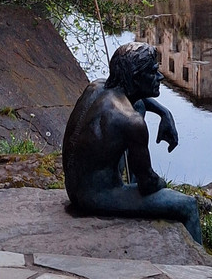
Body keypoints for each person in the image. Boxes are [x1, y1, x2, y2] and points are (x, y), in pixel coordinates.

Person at [62, 42, 202, 243]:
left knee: (139, 105)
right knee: (188, 206)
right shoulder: (131, 122)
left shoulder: (96, 86)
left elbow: (136, 99)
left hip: (75, 185)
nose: (160, 77)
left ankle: (131, 182)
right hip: (94, 197)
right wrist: (160, 183)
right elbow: (149, 185)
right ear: (136, 78)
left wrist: (165, 113)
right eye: (153, 72)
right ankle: (199, 269)